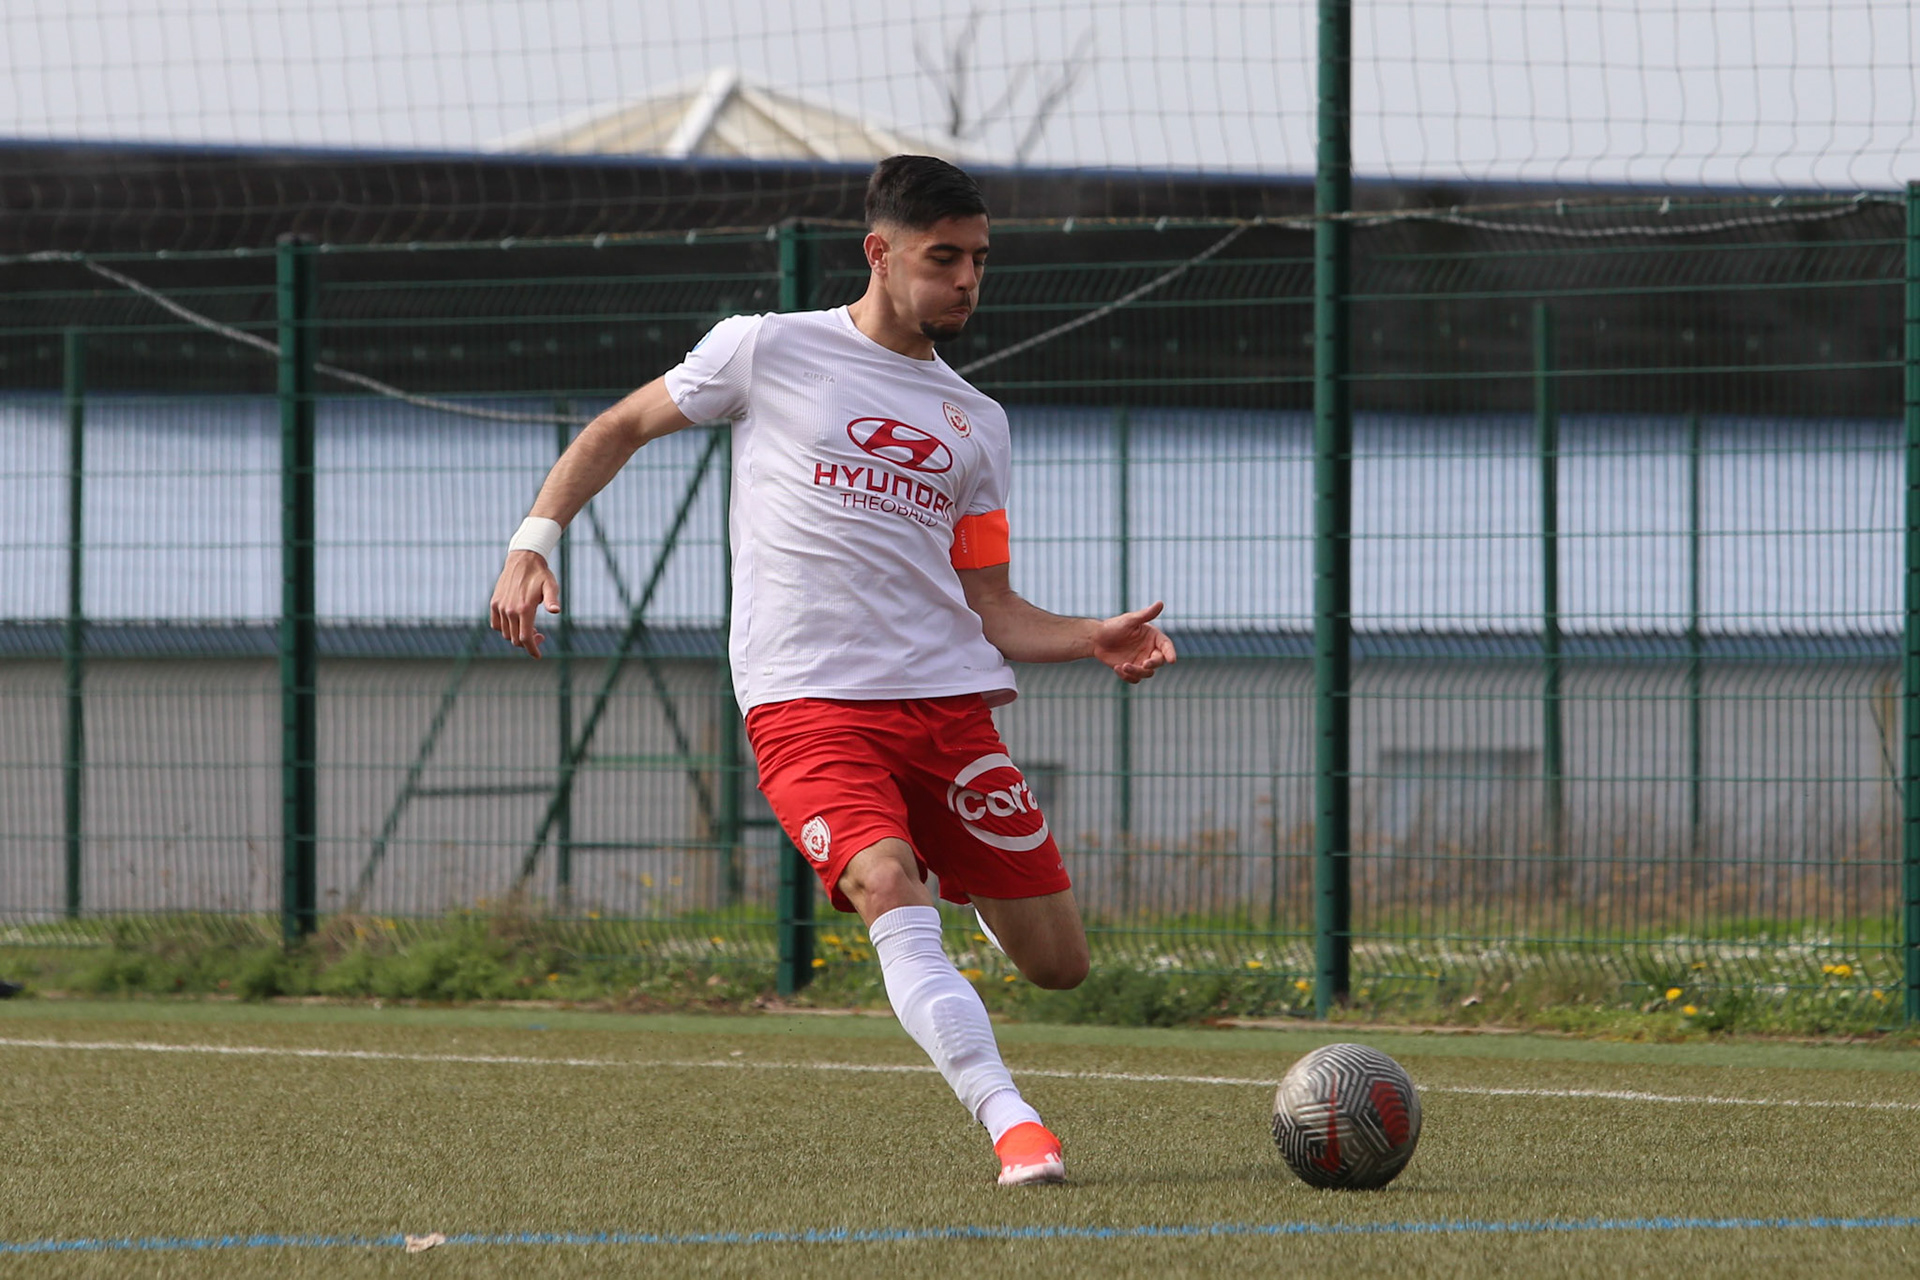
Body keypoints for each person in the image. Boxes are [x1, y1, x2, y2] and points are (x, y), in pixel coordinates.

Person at [490, 154, 1175, 1186]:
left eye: (979, 260)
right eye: (943, 258)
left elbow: (991, 605)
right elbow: (621, 424)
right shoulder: (766, 349)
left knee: (1059, 965)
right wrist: (533, 540)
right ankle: (1014, 1122)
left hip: (948, 711)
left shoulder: (978, 424)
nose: (966, 280)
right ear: (879, 254)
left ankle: (956, 875)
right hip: (806, 704)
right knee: (885, 880)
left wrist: (1089, 635)